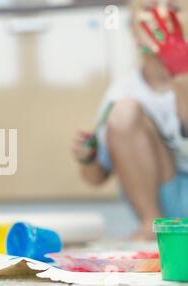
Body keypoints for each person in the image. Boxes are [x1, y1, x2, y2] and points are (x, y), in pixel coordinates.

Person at [73, 0, 188, 240]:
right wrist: (88, 158)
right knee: (124, 112)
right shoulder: (123, 90)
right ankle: (151, 226)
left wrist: (182, 78)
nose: (163, 16)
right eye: (149, 9)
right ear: (133, 31)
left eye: (175, 9)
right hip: (164, 206)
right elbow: (95, 178)